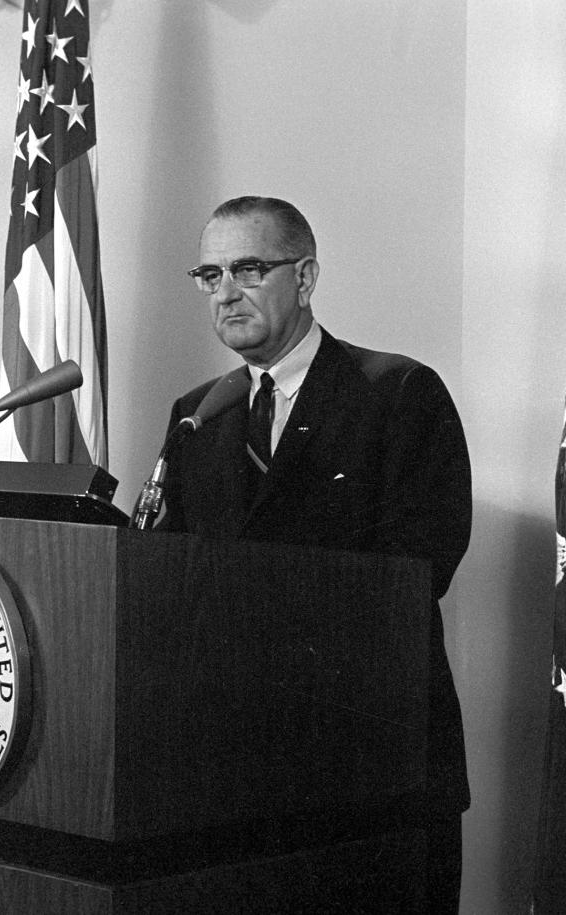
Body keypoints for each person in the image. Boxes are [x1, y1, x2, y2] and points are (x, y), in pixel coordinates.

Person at [158, 195, 472, 912]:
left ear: (304, 278)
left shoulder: (396, 392)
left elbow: (422, 564)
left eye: (248, 267)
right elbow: (164, 575)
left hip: (371, 761)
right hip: (233, 773)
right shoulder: (196, 414)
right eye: (210, 274)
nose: (226, 291)